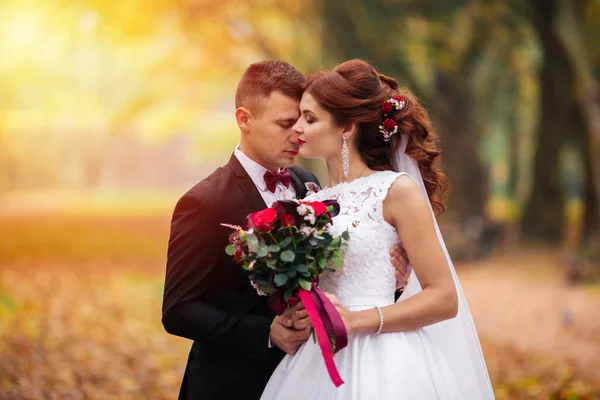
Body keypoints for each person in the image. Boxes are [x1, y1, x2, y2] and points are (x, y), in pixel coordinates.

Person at [161, 60, 411, 400]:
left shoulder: (309, 185)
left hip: (309, 378)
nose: (298, 133)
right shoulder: (204, 202)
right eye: (284, 123)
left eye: (303, 121)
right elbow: (179, 309)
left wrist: (391, 278)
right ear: (244, 119)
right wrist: (267, 332)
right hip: (230, 384)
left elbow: (339, 276)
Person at [261, 59, 495, 399]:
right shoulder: (309, 201)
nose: (296, 127)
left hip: (386, 361)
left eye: (309, 118)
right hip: (315, 357)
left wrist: (357, 320)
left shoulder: (395, 191)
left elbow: (444, 297)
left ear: (346, 128)